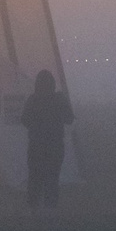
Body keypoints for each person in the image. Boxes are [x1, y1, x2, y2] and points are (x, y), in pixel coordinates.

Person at [20, 68, 74, 208]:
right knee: (52, 178)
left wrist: (37, 125)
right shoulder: (59, 99)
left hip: (36, 146)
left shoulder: (33, 99)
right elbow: (70, 119)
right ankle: (50, 210)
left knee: (35, 178)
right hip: (55, 146)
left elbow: (24, 120)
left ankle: (34, 211)